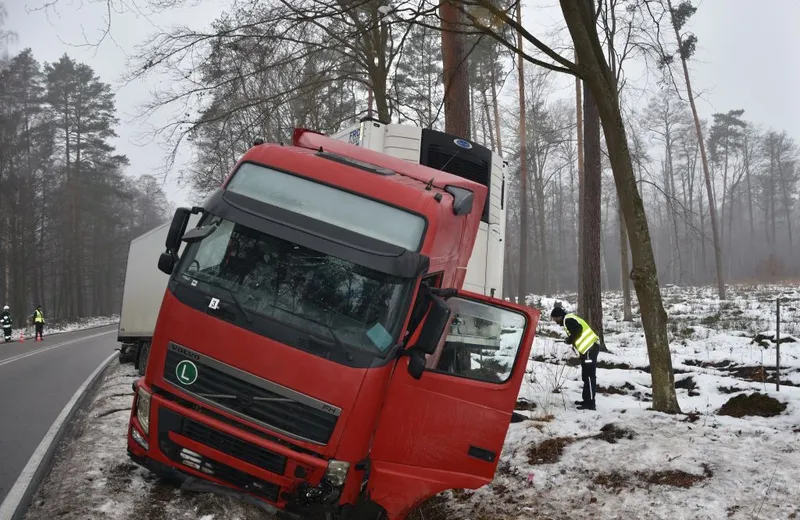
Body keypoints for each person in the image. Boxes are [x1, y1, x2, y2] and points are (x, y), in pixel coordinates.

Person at [551, 306, 600, 411]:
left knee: (589, 376)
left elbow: (578, 330)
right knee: (586, 376)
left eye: (555, 319)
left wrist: (570, 339)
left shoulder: (568, 320)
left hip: (589, 349)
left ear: (559, 316)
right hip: (587, 350)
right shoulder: (569, 319)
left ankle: (590, 403)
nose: (555, 321)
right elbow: (576, 332)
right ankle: (586, 400)